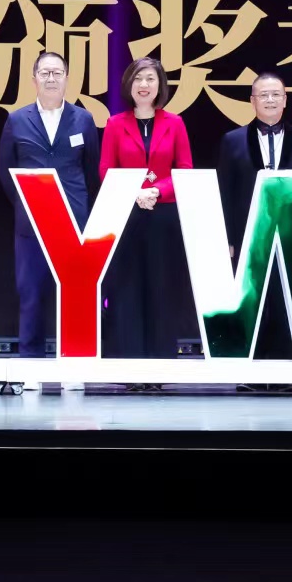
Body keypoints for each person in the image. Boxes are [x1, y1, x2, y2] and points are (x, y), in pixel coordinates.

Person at [0, 51, 100, 389]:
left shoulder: (83, 119)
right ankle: (32, 370)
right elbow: (5, 171)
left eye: (57, 72)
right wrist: (27, 204)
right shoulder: (17, 120)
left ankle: (74, 370)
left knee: (75, 297)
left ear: (67, 78)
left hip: (74, 219)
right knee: (31, 294)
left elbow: (91, 171)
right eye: (45, 72)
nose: (51, 78)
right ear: (34, 79)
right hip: (32, 222)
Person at [217, 72, 292, 392]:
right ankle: (250, 370)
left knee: (287, 298)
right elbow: (225, 193)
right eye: (263, 95)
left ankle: (286, 371)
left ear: (285, 99)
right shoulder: (232, 140)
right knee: (252, 298)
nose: (270, 100)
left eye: (276, 94)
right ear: (252, 101)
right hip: (249, 233)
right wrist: (228, 239)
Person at [99, 57, 197, 387]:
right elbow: (105, 170)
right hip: (126, 216)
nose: (144, 85)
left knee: (162, 289)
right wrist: (134, 192)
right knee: (127, 290)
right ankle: (130, 368)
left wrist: (156, 190)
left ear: (160, 86)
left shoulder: (175, 123)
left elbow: (184, 169)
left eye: (151, 79)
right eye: (138, 78)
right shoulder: (115, 124)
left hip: (163, 217)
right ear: (129, 84)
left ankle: (160, 369)